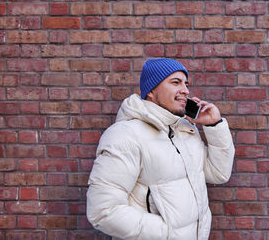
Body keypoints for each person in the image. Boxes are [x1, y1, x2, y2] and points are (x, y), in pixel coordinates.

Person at [86, 58, 235, 240]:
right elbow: (103, 211)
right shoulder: (125, 135)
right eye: (175, 82)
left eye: (186, 84)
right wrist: (169, 234)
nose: (185, 90)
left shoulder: (185, 130)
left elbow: (218, 174)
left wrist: (214, 125)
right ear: (151, 91)